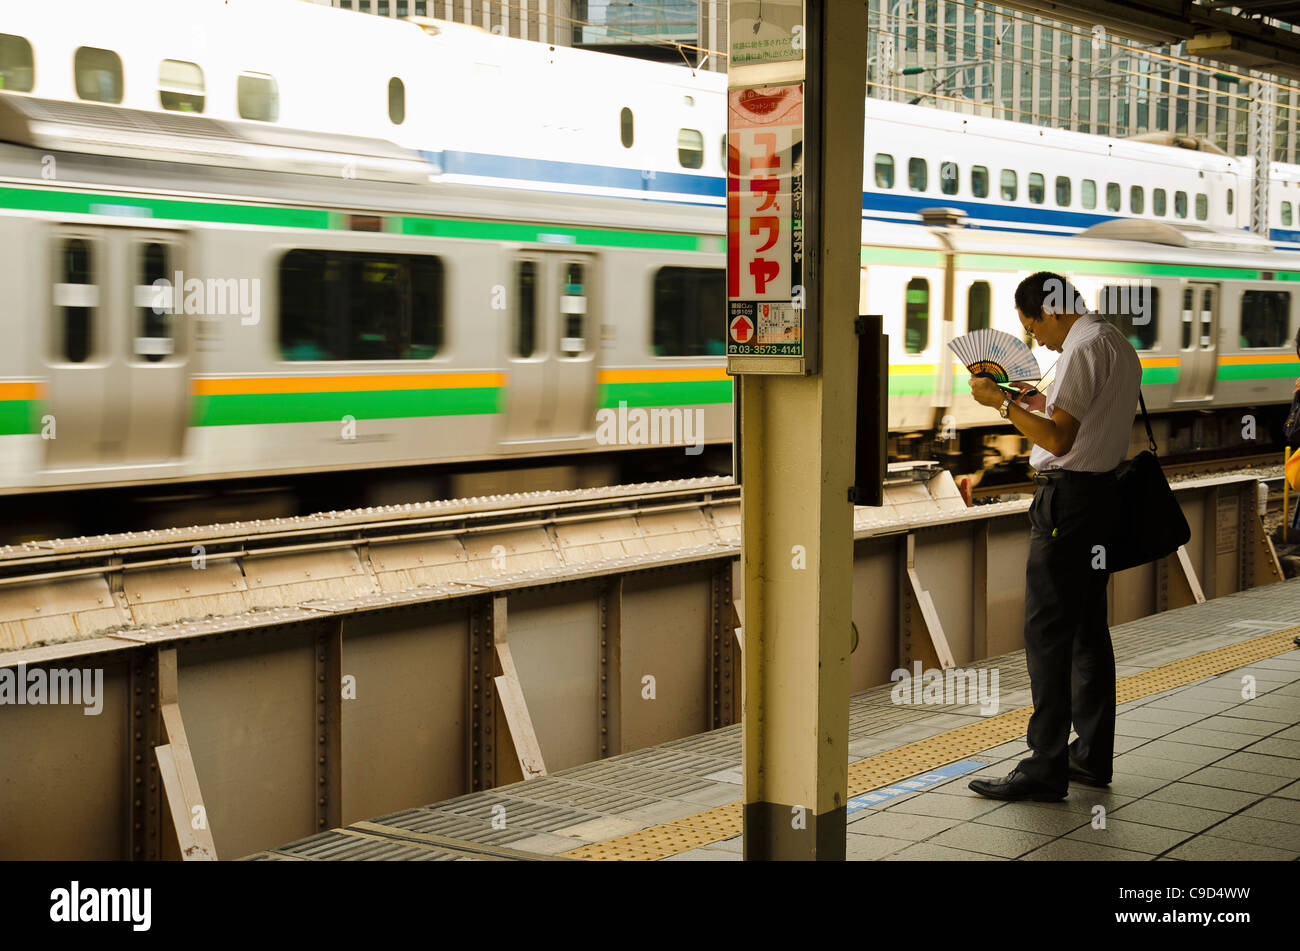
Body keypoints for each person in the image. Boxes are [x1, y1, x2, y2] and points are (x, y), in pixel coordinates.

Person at [965, 271, 1142, 802]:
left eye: (1032, 325)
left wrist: (1001, 405)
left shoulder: (1082, 348)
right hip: (1100, 499)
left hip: (1067, 504)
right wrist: (1026, 398)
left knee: (1046, 634)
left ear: (1050, 309)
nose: (1034, 339)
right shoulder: (1115, 342)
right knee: (1087, 630)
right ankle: (1089, 755)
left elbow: (1059, 438)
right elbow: (1077, 419)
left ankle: (1044, 765)